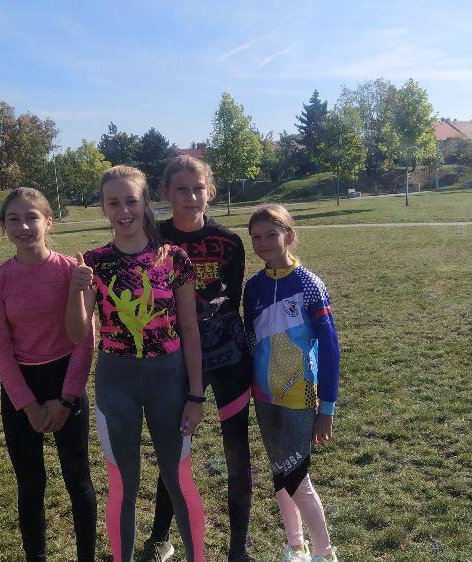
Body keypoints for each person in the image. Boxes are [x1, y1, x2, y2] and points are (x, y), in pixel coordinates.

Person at [65, 165, 206, 562]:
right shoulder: (94, 263)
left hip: (169, 380)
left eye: (131, 201)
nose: (123, 211)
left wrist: (196, 395)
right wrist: (77, 290)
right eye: (114, 203)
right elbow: (76, 333)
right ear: (103, 207)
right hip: (116, 382)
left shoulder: (174, 258)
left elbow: (190, 329)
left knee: (179, 481)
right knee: (123, 486)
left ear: (145, 203)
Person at [140, 156, 254, 562]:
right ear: (165, 193)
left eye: (198, 188)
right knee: (174, 450)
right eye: (181, 189)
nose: (191, 197)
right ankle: (160, 538)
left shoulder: (229, 242)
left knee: (237, 452)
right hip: (175, 361)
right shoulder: (153, 240)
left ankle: (238, 547)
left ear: (210, 192)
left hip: (228, 360)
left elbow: (231, 303)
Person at [0, 187, 98, 562]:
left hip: (66, 381)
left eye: (31, 217)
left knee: (78, 480)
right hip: (22, 388)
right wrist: (29, 406)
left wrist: (66, 400)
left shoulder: (71, 272)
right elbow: (1, 349)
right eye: (13, 219)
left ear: (49, 222)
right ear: (4, 226)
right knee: (30, 484)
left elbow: (84, 342)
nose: (23, 226)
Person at [242, 204, 341, 562]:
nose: (264, 243)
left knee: (297, 476)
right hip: (264, 395)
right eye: (256, 237)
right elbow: (249, 340)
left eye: (272, 234)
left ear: (290, 236)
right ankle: (296, 546)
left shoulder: (310, 285)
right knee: (280, 471)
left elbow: (330, 347)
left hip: (300, 395)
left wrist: (327, 408)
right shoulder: (253, 287)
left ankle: (325, 553)